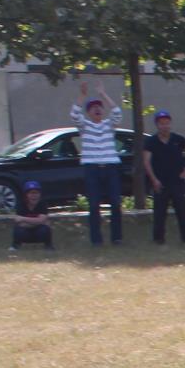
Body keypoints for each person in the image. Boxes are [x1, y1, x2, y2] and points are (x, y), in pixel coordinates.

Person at [69, 79, 124, 246]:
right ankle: (96, 240)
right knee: (94, 205)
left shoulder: (109, 125)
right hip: (92, 168)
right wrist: (82, 95)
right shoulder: (84, 126)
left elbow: (117, 112)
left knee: (115, 203)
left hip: (111, 167)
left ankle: (116, 238)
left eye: (99, 107)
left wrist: (103, 94)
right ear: (88, 112)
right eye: (93, 108)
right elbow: (74, 115)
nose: (97, 109)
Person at [141, 110, 185, 245]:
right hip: (160, 183)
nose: (165, 126)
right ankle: (158, 239)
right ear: (157, 125)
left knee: (183, 212)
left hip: (178, 182)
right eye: (161, 123)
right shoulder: (151, 141)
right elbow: (146, 162)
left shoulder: (178, 139)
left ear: (170, 124)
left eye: (167, 123)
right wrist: (153, 179)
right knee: (159, 213)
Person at [10, 180, 54, 251]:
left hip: (39, 232)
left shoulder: (42, 204)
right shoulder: (21, 204)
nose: (34, 195)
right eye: (31, 193)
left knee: (45, 229)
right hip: (25, 232)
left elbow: (41, 220)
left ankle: (48, 246)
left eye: (36, 193)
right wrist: (39, 222)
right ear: (26, 195)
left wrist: (23, 219)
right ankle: (15, 246)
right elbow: (19, 223)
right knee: (18, 230)